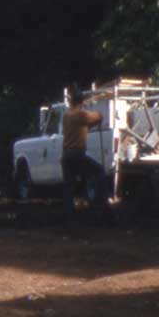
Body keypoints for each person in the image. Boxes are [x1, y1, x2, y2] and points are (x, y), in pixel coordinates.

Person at [60, 90, 105, 221]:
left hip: (66, 155)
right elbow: (98, 116)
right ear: (81, 102)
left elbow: (82, 126)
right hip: (77, 154)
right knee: (99, 171)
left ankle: (69, 216)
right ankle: (100, 204)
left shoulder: (66, 115)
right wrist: (97, 114)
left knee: (69, 186)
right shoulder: (81, 115)